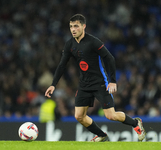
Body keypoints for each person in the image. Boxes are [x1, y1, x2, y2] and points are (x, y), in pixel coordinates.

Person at [45, 14, 146, 142]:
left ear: (83, 26)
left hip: (100, 83)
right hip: (84, 84)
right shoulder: (69, 44)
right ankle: (101, 135)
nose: (73, 29)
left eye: (76, 26)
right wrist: (53, 84)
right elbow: (61, 65)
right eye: (71, 26)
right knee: (79, 116)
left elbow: (110, 58)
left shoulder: (93, 42)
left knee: (111, 115)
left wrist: (113, 81)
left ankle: (136, 124)